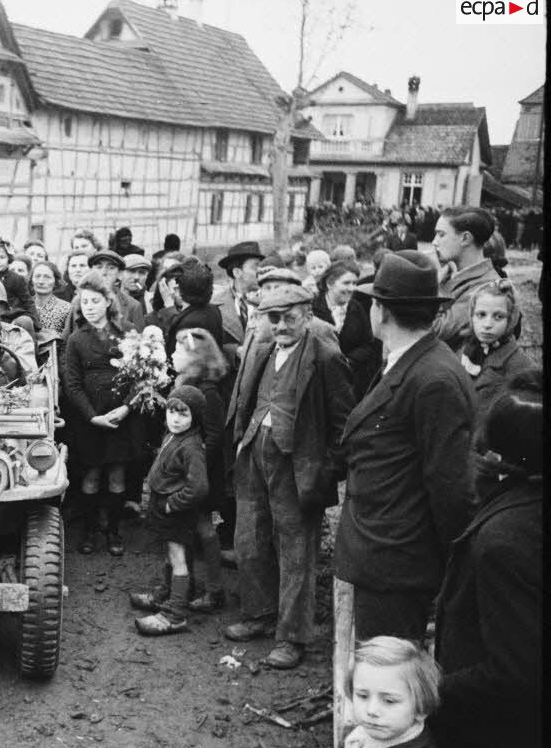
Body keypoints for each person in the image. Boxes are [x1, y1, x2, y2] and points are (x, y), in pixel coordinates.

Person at [335, 253, 476, 642]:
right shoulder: (409, 362)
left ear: (381, 310)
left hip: (398, 563)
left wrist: (451, 570)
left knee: (389, 673)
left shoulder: (433, 379)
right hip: (384, 553)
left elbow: (450, 488)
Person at [430, 369, 541, 748]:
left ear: (503, 460)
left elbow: (516, 671)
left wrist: (433, 689)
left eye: (483, 450)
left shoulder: (502, 542)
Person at [223, 284, 354, 669]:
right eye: (272, 318)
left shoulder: (326, 358)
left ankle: (292, 635)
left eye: (288, 317)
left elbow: (345, 425)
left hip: (298, 468)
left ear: (308, 315)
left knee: (295, 550)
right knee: (249, 538)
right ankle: (259, 614)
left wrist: (326, 470)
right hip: (254, 456)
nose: (279, 325)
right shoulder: (262, 351)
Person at [132, 328, 229, 615]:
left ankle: (212, 590)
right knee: (190, 532)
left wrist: (187, 468)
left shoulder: (207, 393)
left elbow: (212, 437)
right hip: (188, 473)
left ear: (195, 357)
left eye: (178, 351)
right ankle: (184, 589)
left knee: (203, 531)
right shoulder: (186, 382)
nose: (172, 355)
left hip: (198, 475)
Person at [62, 270, 134, 556]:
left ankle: (114, 532)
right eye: (84, 302)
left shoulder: (127, 333)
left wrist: (127, 407)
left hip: (122, 416)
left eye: (95, 301)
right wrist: (92, 416)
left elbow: (141, 375)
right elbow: (72, 384)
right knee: (91, 475)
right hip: (91, 419)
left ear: (108, 301)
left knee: (117, 475)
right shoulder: (76, 340)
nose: (89, 307)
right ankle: (90, 531)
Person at [133, 385, 209, 636]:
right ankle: (168, 594)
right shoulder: (173, 435)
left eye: (183, 414)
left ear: (195, 417)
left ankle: (175, 614)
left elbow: (198, 488)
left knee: (178, 558)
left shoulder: (192, 447)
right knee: (170, 553)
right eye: (171, 412)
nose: (175, 419)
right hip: (165, 508)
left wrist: (172, 503)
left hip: (176, 511)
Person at [432, 206, 515, 350]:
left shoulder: (485, 287)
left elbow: (434, 331)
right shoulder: (450, 272)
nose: (434, 242)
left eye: (441, 235)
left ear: (465, 239)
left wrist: (432, 286)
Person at [457, 278, 532, 427]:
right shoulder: (466, 352)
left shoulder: (519, 365)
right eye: (481, 315)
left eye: (498, 317)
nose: (487, 325)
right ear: (471, 316)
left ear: (510, 319)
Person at [312, 261, 379, 400]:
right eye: (346, 283)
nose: (352, 288)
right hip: (320, 382)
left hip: (352, 383)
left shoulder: (357, 308)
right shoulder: (313, 309)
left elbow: (368, 344)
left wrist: (348, 361)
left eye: (354, 283)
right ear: (330, 283)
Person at [211, 241, 264, 367]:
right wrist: (234, 352)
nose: (260, 271)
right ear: (237, 272)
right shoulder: (215, 304)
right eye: (255, 267)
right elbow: (211, 343)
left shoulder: (270, 301)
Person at [164, 257, 224, 357]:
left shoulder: (190, 322)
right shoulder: (214, 310)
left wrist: (169, 309)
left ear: (180, 290)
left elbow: (182, 356)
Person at [29, 261, 73, 335]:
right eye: (37, 276)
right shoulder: (24, 306)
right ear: (31, 280)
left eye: (47, 277)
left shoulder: (66, 308)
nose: (41, 281)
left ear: (56, 281)